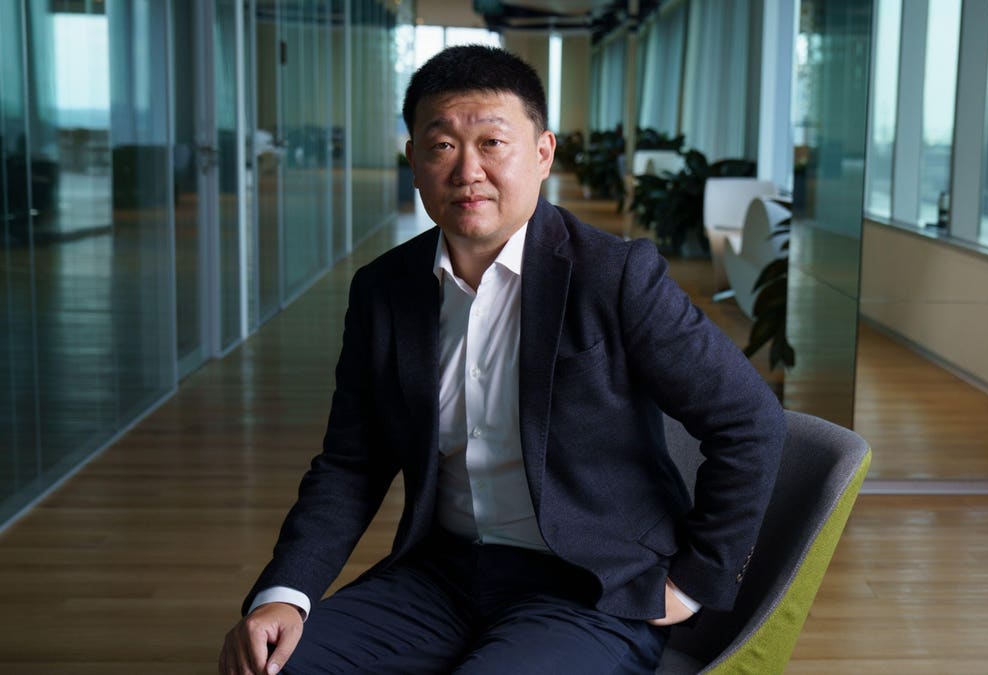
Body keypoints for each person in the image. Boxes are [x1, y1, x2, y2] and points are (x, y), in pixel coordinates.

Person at [219, 45, 784, 675]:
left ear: (542, 154)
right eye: (441, 145)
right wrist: (286, 594)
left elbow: (749, 420)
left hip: (590, 587)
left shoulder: (616, 276)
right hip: (439, 577)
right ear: (414, 161)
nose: (468, 170)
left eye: (492, 142)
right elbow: (352, 463)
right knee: (272, 667)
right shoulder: (383, 289)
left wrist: (694, 581)